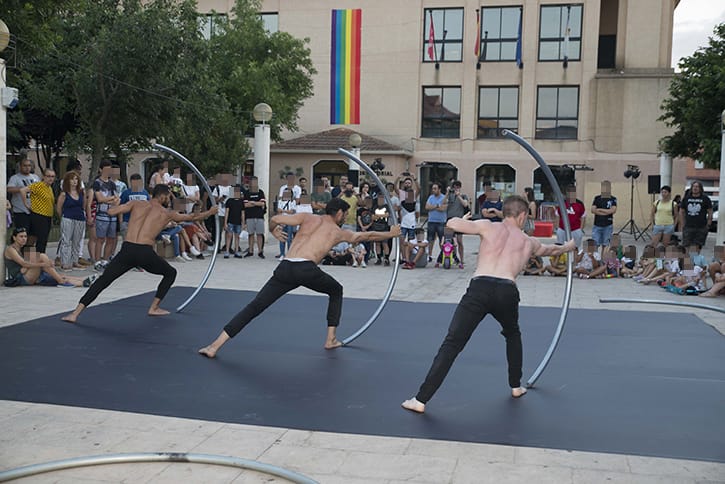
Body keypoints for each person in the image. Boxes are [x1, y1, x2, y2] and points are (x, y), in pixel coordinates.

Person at [401, 196, 576, 413]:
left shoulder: (487, 226)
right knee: (512, 334)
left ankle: (420, 400)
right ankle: (515, 385)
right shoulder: (528, 241)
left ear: (504, 212)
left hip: (479, 289)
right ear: (522, 216)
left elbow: (452, 224)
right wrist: (569, 246)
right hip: (507, 291)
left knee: (452, 343)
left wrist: (463, 219)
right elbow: (551, 250)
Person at [197, 198, 401, 357]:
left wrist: (274, 231)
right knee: (336, 290)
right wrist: (391, 234)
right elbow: (365, 236)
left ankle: (214, 346)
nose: (345, 217)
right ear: (339, 213)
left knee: (255, 307)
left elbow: (276, 219)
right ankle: (330, 339)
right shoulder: (338, 231)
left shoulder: (306, 217)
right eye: (345, 214)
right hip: (306, 269)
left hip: (285, 267)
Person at [61, 185, 218, 323]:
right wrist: (211, 211)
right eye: (168, 196)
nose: (169, 199)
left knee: (103, 281)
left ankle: (75, 314)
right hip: (144, 253)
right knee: (171, 273)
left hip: (127, 250)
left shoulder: (136, 203)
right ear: (163, 196)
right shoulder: (166, 213)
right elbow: (192, 217)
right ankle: (154, 307)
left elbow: (111, 211)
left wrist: (115, 204)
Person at [4, 227, 92, 288]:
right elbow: (24, 263)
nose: (24, 239)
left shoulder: (24, 248)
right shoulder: (11, 249)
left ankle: (83, 281)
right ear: (14, 238)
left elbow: (28, 263)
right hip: (21, 278)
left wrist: (47, 262)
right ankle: (62, 282)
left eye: (25, 236)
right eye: (21, 236)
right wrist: (44, 264)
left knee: (58, 276)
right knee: (42, 257)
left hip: (29, 273)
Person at [19, 168, 56, 254]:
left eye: (52, 176)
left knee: (39, 239)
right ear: (44, 177)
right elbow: (23, 190)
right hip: (39, 215)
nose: (50, 178)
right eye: (48, 176)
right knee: (40, 239)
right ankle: (36, 258)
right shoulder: (38, 185)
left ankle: (33, 258)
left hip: (47, 216)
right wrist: (26, 204)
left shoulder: (49, 188)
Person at [55, 171, 86, 270]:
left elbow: (84, 206)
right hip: (68, 218)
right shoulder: (64, 194)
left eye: (76, 179)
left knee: (77, 241)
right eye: (72, 179)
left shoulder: (81, 193)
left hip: (80, 218)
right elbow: (58, 208)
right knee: (66, 241)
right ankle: (64, 262)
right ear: (67, 181)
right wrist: (63, 217)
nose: (74, 181)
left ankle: (75, 261)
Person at [92, 161, 120, 269]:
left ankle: (105, 260)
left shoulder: (112, 184)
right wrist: (111, 199)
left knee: (111, 238)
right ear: (101, 170)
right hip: (101, 214)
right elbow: (100, 199)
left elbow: (117, 199)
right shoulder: (97, 183)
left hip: (112, 214)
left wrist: (111, 200)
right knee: (100, 238)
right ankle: (97, 261)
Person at [7, 158, 40, 241]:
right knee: (22, 234)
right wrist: (22, 189)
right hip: (21, 211)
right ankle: (19, 249)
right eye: (25, 165)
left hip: (34, 210)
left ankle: (30, 249)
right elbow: (9, 189)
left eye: (29, 165)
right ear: (20, 166)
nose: (27, 167)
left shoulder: (35, 177)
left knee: (33, 234)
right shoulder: (15, 178)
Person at [679, 181, 713, 249]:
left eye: (697, 187)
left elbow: (710, 211)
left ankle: (695, 256)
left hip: (701, 227)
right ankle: (688, 256)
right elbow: (682, 212)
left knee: (697, 246)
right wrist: (682, 224)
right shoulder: (686, 198)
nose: (695, 188)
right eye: (694, 186)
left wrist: (708, 224)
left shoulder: (705, 198)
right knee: (686, 246)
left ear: (700, 188)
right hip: (688, 226)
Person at [445, 181, 470, 268]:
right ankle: (453, 258)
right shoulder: (450, 195)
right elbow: (443, 203)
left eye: (457, 187)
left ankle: (462, 259)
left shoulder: (463, 196)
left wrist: (458, 196)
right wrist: (447, 193)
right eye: (454, 187)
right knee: (450, 240)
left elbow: (465, 204)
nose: (456, 189)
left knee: (459, 241)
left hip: (459, 220)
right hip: (450, 220)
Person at [554, 185, 586, 250]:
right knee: (561, 247)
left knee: (575, 248)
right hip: (562, 229)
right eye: (569, 192)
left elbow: (583, 216)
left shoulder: (580, 204)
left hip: (575, 229)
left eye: (572, 192)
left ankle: (574, 257)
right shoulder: (562, 203)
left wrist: (580, 229)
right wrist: (557, 228)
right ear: (567, 193)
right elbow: (557, 215)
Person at [242, 176, 267, 258]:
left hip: (259, 216)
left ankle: (260, 251)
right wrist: (256, 203)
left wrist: (252, 202)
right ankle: (250, 251)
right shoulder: (247, 193)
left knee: (260, 234)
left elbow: (262, 203)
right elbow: (245, 205)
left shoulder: (260, 192)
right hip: (249, 216)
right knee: (250, 234)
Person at [591, 180, 617, 250]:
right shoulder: (597, 198)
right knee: (594, 245)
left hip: (608, 225)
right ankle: (595, 257)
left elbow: (613, 210)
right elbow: (593, 210)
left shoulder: (613, 199)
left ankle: (603, 257)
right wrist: (606, 212)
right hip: (597, 225)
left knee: (605, 245)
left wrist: (599, 209)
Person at [425, 183, 448, 264]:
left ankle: (442, 255)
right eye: (433, 188)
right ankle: (429, 255)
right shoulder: (430, 197)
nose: (433, 190)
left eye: (435, 188)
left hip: (441, 222)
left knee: (442, 240)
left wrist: (433, 207)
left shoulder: (444, 197)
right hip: (431, 221)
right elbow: (427, 207)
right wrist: (437, 206)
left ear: (439, 189)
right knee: (430, 239)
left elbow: (443, 209)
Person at [223, 186, 246, 259]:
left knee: (237, 236)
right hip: (230, 221)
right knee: (229, 235)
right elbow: (227, 212)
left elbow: (242, 213)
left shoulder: (241, 202)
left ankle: (236, 251)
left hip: (238, 222)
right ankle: (227, 251)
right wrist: (225, 222)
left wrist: (243, 223)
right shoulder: (229, 201)